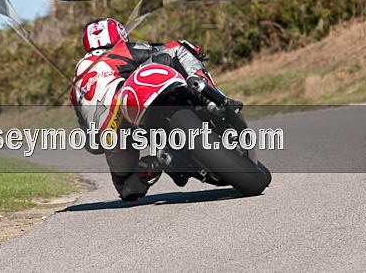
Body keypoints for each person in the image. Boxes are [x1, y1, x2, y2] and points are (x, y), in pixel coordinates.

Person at [69, 17, 241, 202]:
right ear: (119, 34)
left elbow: (93, 146)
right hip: (128, 100)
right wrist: (195, 51)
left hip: (111, 134)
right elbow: (162, 50)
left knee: (125, 189)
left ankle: (151, 167)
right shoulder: (120, 50)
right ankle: (210, 96)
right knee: (178, 48)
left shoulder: (75, 88)